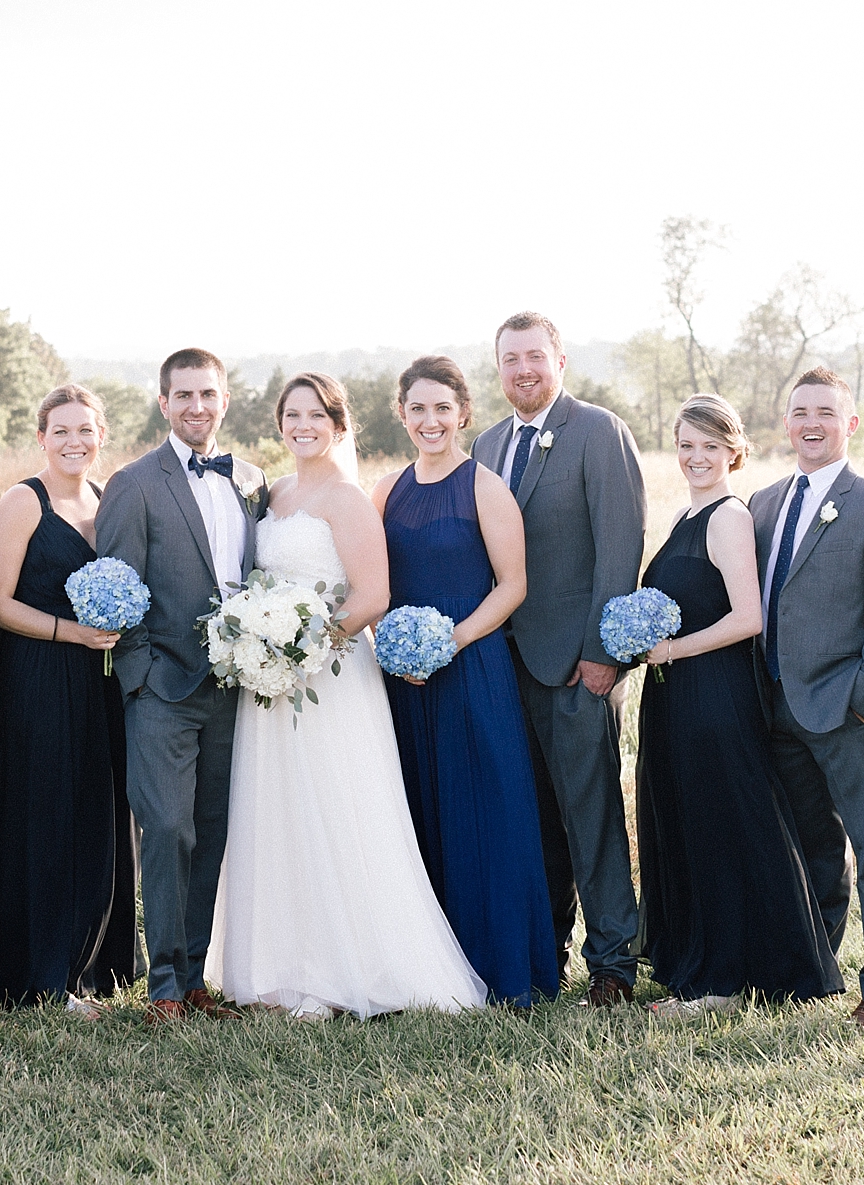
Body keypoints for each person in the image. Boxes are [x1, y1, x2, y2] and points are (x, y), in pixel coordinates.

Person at [207, 373, 486, 1017]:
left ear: (338, 425)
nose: (302, 426)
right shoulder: (271, 494)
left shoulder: (349, 500)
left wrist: (304, 648)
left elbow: (372, 596)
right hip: (269, 683)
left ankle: (349, 967)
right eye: (291, 415)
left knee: (338, 807)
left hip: (328, 679)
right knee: (275, 811)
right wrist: (261, 645)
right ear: (279, 424)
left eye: (315, 415)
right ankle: (278, 967)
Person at [637, 394, 843, 1019]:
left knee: (721, 828)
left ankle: (722, 985)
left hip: (713, 695)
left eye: (710, 446)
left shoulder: (727, 516)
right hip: (678, 698)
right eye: (687, 446)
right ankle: (701, 964)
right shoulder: (685, 516)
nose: (697, 458)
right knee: (693, 826)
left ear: (735, 451)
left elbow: (748, 618)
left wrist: (672, 649)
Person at [468, 312, 646, 1005]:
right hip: (500, 666)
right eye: (510, 359)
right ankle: (548, 953)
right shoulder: (484, 444)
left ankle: (613, 963)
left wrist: (605, 655)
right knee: (532, 817)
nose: (523, 370)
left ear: (561, 360)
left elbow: (619, 545)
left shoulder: (598, 431)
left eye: (534, 356)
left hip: (575, 665)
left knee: (592, 815)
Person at [371, 356, 559, 1006]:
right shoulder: (385, 490)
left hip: (472, 668)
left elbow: (514, 585)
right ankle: (430, 970)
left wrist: (450, 640)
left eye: (441, 408)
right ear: (402, 413)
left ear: (463, 413)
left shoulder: (484, 486)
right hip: (404, 679)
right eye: (417, 408)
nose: (429, 420)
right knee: (420, 809)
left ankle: (503, 967)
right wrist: (394, 649)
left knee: (487, 812)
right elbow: (374, 586)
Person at [96, 348, 268, 1024]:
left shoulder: (251, 480)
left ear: (225, 400)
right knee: (166, 829)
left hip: (237, 686)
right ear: (164, 402)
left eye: (208, 394)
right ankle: (163, 982)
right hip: (163, 687)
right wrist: (139, 677)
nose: (197, 406)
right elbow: (115, 587)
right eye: (183, 395)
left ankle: (195, 974)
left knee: (213, 828)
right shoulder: (134, 483)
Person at [0, 384, 142, 1015]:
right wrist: (72, 632)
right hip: (38, 676)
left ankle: (90, 962)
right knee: (43, 815)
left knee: (96, 811)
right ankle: (37, 974)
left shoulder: (103, 499)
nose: (74, 442)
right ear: (41, 438)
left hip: (100, 680)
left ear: (101, 435)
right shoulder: (22, 502)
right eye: (60, 431)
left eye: (85, 430)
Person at [748, 367, 864, 1028]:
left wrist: (863, 698)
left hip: (850, 712)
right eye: (799, 412)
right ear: (786, 422)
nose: (811, 423)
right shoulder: (762, 502)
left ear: (849, 423)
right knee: (808, 847)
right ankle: (814, 969)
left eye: (825, 411)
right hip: (777, 709)